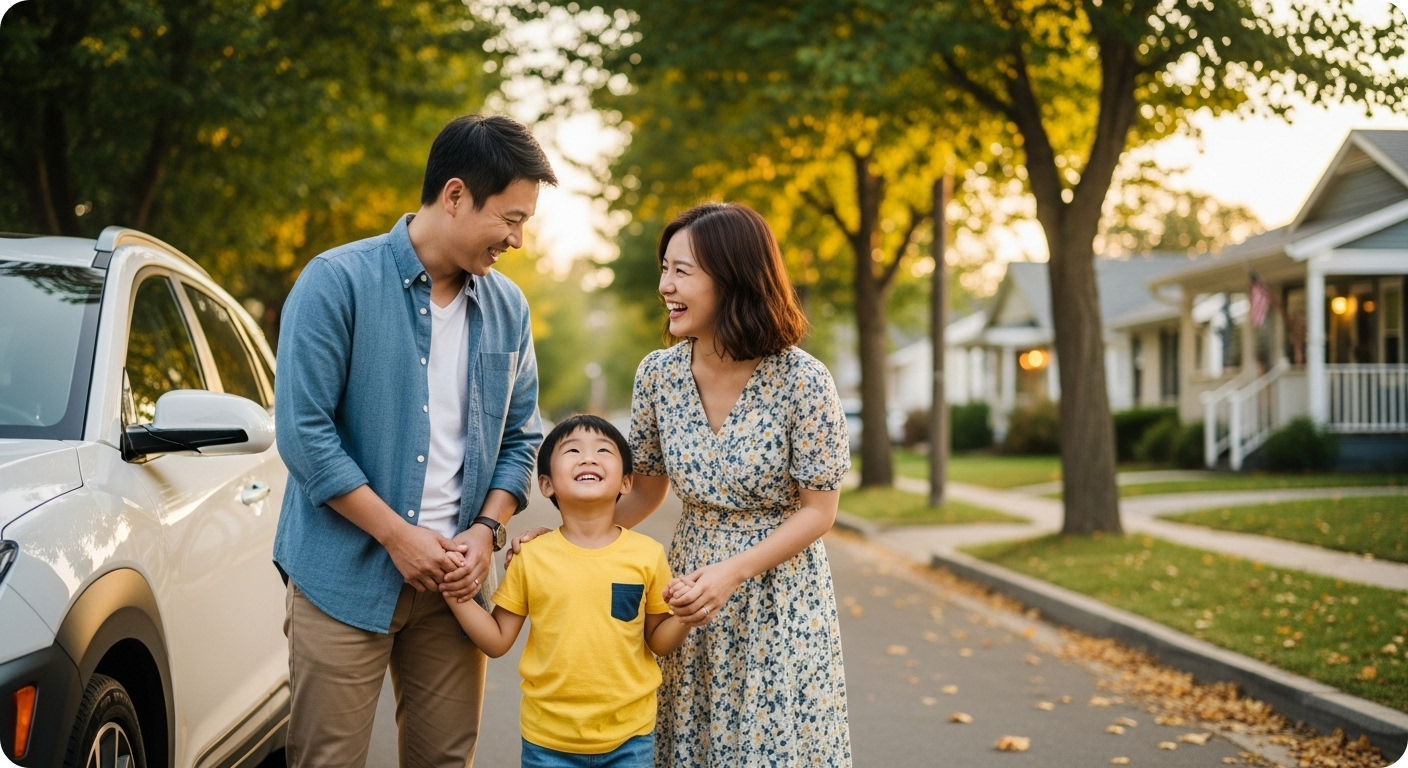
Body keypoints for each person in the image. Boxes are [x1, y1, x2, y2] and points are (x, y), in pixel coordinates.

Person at [273, 113, 555, 768]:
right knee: (327, 759)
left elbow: (521, 437)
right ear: (455, 195)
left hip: (456, 589)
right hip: (342, 574)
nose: (517, 239)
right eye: (510, 219)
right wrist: (398, 537)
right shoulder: (335, 281)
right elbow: (304, 433)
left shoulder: (509, 308)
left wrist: (485, 531)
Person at [626, 202, 853, 765]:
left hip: (781, 596)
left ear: (732, 280)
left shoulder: (803, 380)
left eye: (682, 271)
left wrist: (733, 572)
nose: (665, 285)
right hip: (689, 595)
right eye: (664, 268)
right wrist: (567, 534)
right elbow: (646, 490)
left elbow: (819, 511)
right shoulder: (657, 375)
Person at [448, 414, 689, 768]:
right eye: (572, 450)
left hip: (630, 737)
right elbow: (497, 640)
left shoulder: (647, 555)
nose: (588, 458)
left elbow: (658, 642)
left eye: (603, 450)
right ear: (546, 485)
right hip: (548, 742)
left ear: (626, 482)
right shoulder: (532, 556)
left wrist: (686, 616)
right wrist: (454, 592)